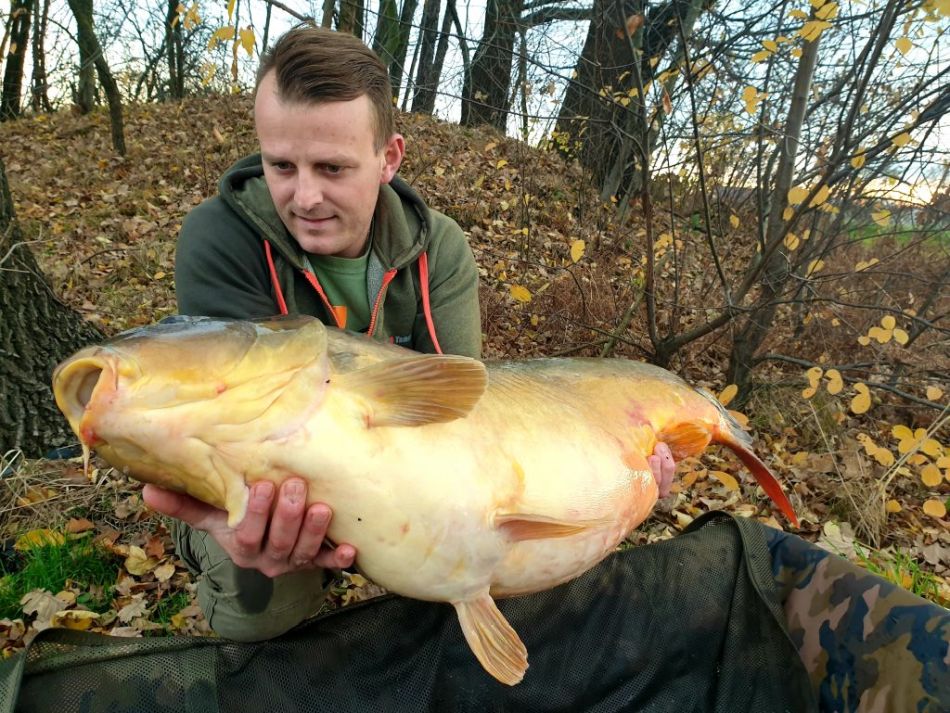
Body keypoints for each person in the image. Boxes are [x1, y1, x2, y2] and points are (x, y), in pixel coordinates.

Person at [140, 22, 680, 644]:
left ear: (389, 159)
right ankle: (214, 555)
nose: (305, 195)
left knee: (475, 556)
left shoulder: (439, 248)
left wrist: (619, 478)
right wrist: (228, 520)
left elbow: (459, 420)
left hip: (384, 466)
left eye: (333, 167)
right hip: (255, 473)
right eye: (281, 165)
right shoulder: (220, 238)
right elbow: (224, 424)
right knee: (265, 611)